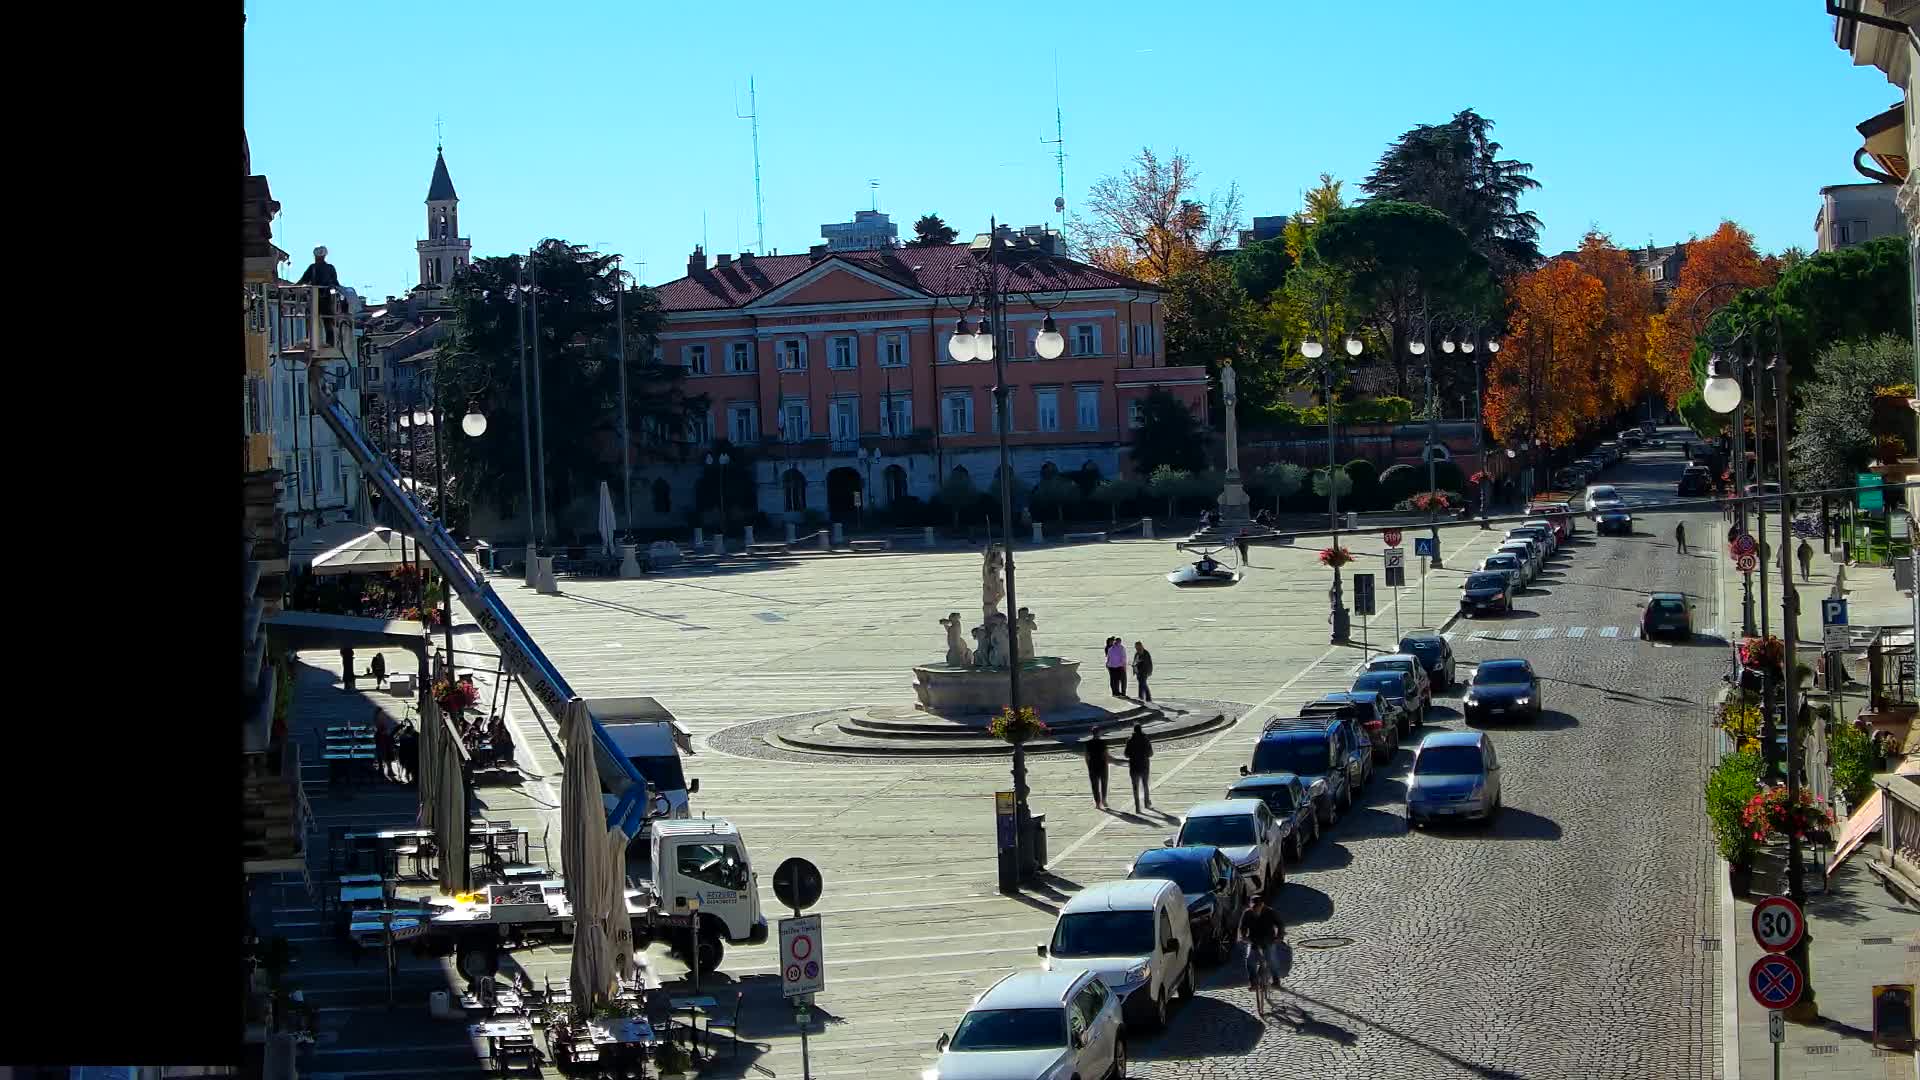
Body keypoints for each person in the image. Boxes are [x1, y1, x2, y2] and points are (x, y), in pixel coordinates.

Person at [1242, 892, 1287, 1017]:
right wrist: (1244, 937)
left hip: (1268, 940)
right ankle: (1253, 982)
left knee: (1271, 959)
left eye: (1258, 906)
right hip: (1254, 940)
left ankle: (1276, 979)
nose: (1256, 909)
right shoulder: (1247, 914)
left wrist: (1279, 936)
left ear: (1262, 905)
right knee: (1250, 960)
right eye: (1254, 907)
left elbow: (1280, 924)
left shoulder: (1270, 912)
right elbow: (1243, 928)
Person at [1123, 721, 1153, 813]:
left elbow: (1126, 754)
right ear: (1141, 729)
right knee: (1145, 785)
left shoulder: (1130, 740)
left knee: (1135, 787)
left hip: (1134, 766)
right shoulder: (1145, 739)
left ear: (1134, 730)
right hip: (1144, 765)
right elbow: (1151, 753)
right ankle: (1146, 803)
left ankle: (1137, 807)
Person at [1083, 735, 1110, 810]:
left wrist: (1088, 765)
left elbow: (1086, 756)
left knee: (1094, 786)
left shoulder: (1088, 743)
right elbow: (1106, 755)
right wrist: (1106, 765)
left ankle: (1098, 803)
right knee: (1104, 784)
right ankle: (1104, 800)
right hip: (1102, 765)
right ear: (1099, 733)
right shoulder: (1103, 743)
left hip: (1093, 766)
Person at [372, 706, 396, 781]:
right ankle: (386, 771)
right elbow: (380, 728)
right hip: (382, 738)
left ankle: (388, 770)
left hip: (384, 738)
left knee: (387, 753)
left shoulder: (379, 718)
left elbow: (384, 727)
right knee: (384, 753)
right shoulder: (378, 719)